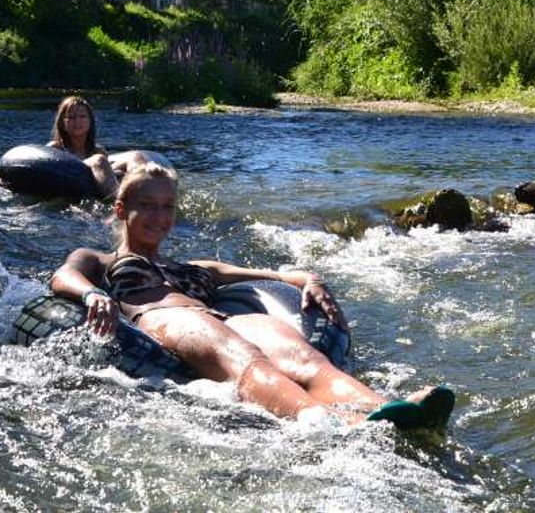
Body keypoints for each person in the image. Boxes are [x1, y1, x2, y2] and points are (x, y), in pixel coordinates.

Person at [50, 162, 455, 429]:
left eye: (168, 206)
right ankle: (328, 423)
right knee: (246, 358)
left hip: (221, 318)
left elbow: (277, 274)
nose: (161, 217)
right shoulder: (103, 259)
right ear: (122, 210)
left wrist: (309, 280)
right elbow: (64, 275)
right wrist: (91, 296)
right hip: (164, 319)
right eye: (148, 206)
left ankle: (386, 410)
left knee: (305, 358)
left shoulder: (197, 267)